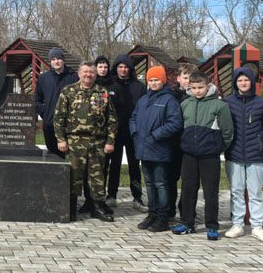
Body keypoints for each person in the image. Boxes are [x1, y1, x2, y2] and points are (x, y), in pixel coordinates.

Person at [171, 71, 233, 241]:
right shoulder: (185, 104)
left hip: (209, 156)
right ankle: (187, 223)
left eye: (201, 87)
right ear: (189, 87)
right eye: (194, 88)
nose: (197, 91)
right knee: (188, 189)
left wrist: (218, 147)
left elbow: (227, 131)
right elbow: (180, 127)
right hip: (189, 155)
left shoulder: (219, 106)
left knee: (210, 191)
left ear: (208, 86)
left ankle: (212, 225)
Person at [53, 61, 117, 222]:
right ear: (79, 73)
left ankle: (97, 207)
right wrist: (61, 139)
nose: (88, 75)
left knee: (97, 177)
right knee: (73, 176)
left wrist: (110, 141)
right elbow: (59, 117)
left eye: (91, 72)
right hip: (74, 142)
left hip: (97, 142)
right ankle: (70, 208)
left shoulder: (102, 92)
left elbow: (112, 119)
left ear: (95, 75)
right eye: (85, 72)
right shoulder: (68, 91)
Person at [130, 65, 182, 232]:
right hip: (144, 148)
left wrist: (156, 135)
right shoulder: (143, 100)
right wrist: (135, 132)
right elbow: (133, 117)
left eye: (156, 80)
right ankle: (152, 214)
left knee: (161, 184)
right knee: (150, 184)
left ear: (163, 81)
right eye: (150, 80)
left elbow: (175, 123)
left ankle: (163, 217)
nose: (153, 83)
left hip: (160, 148)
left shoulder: (169, 100)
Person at [224, 67, 263, 242]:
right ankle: (237, 224)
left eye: (246, 80)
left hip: (256, 155)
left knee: (255, 193)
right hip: (234, 153)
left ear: (251, 82)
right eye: (240, 80)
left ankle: (257, 226)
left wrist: (258, 143)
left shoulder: (262, 104)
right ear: (235, 83)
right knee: (236, 191)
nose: (243, 83)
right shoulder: (227, 102)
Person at [104, 54, 147, 211]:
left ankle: (137, 197)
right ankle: (111, 195)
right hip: (115, 132)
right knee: (114, 165)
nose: (123, 70)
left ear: (130, 69)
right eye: (120, 67)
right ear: (116, 68)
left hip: (133, 132)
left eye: (126, 67)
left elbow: (143, 109)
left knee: (134, 166)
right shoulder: (109, 85)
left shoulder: (139, 87)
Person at [34, 47, 78, 157]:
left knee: (69, 158)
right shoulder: (43, 78)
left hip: (70, 126)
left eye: (58, 58)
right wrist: (45, 113)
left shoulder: (74, 77)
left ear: (63, 60)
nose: (56, 61)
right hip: (50, 125)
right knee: (53, 157)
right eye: (53, 59)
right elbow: (37, 100)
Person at [167, 63, 198, 220]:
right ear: (178, 78)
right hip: (173, 144)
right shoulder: (171, 96)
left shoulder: (199, 96)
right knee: (170, 179)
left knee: (190, 181)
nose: (188, 81)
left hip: (191, 145)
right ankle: (169, 208)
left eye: (191, 78)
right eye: (185, 77)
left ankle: (186, 210)